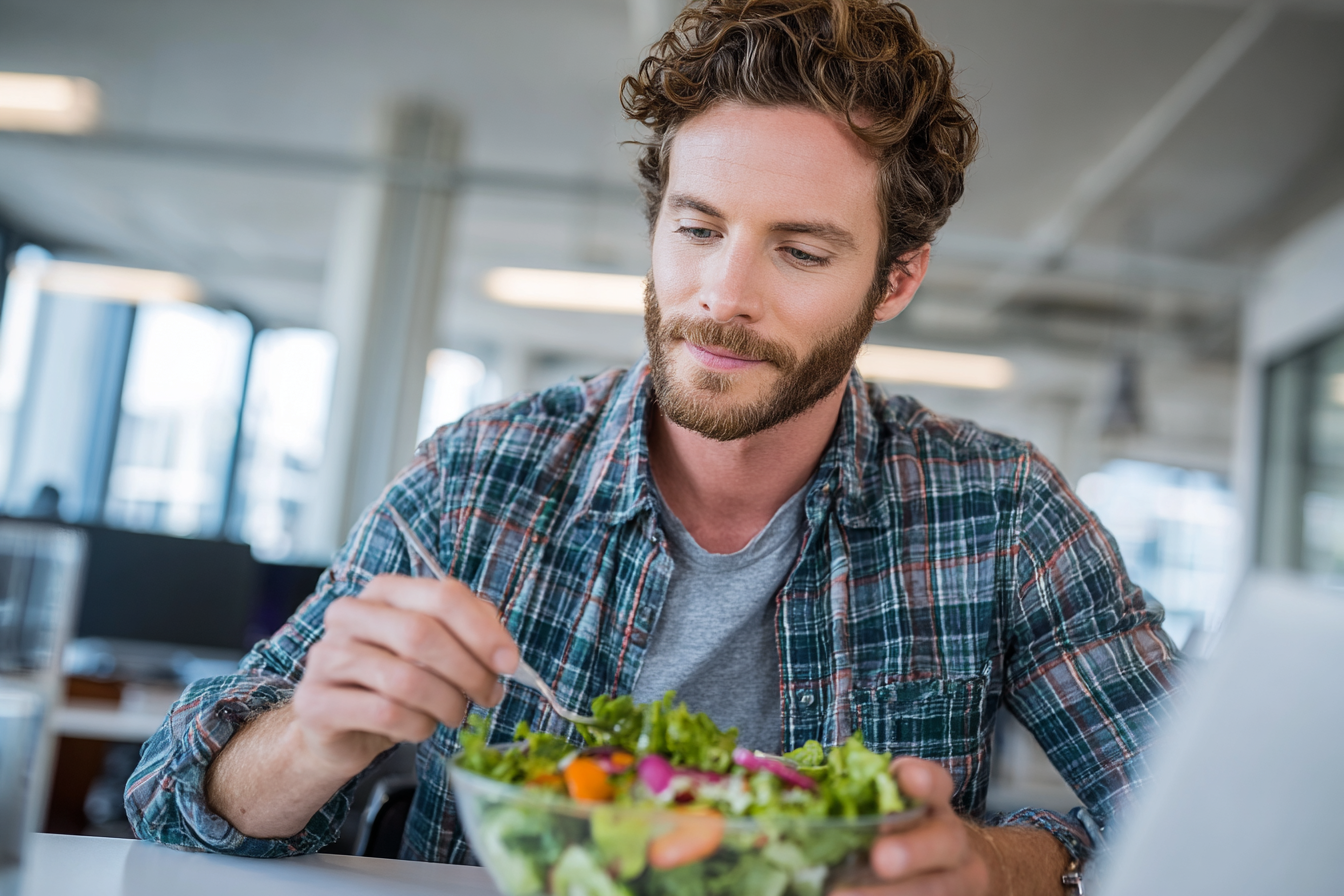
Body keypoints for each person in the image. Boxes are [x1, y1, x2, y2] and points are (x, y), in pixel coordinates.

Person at [126, 1, 1181, 893]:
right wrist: (316, 737)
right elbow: (174, 803)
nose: (724, 294)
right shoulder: (476, 480)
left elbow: (1201, 813)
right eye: (697, 226)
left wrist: (998, 866)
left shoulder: (1001, 512)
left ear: (895, 279)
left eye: (801, 249)